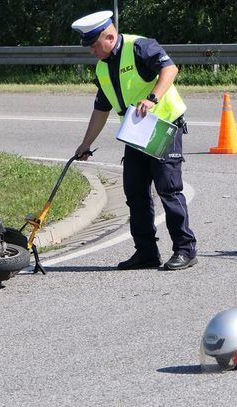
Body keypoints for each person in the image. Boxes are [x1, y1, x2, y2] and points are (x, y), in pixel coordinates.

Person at [71, 11, 197, 270]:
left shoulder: (139, 46)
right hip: (135, 134)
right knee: (135, 194)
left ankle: (185, 250)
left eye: (95, 45)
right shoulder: (102, 67)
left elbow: (170, 68)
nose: (92, 51)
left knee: (168, 190)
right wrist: (85, 144)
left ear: (110, 35)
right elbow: (101, 108)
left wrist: (152, 98)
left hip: (163, 126)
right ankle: (146, 253)